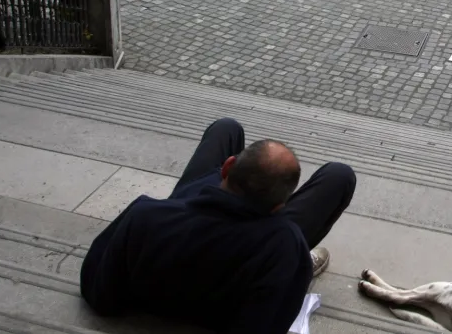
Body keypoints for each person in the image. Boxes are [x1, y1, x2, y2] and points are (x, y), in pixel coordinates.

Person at [80, 118, 356, 334]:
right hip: (254, 247)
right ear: (278, 209)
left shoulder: (145, 214)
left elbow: (98, 291)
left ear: (226, 168)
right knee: (339, 175)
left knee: (227, 127)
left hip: (179, 220)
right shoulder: (284, 246)